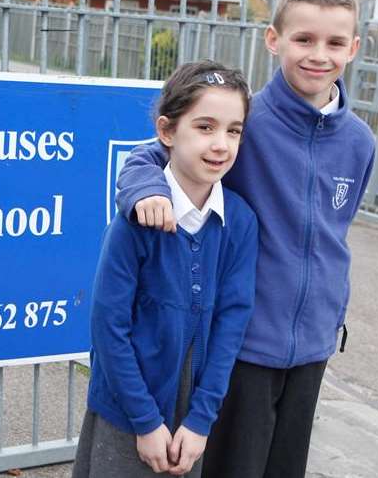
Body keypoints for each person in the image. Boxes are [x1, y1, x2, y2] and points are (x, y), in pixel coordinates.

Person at [114, 0, 376, 478]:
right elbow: (149, 156)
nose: (318, 54)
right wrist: (144, 190)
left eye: (334, 42)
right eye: (303, 39)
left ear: (353, 48)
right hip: (246, 341)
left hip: (315, 340)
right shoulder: (245, 123)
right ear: (273, 39)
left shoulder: (360, 142)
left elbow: (336, 228)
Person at [72, 60, 258, 478]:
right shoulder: (135, 222)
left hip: (190, 416)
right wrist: (145, 421)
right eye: (205, 127)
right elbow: (109, 325)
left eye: (234, 130)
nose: (221, 145)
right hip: (128, 407)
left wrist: (200, 420)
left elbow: (232, 323)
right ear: (167, 131)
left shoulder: (241, 224)